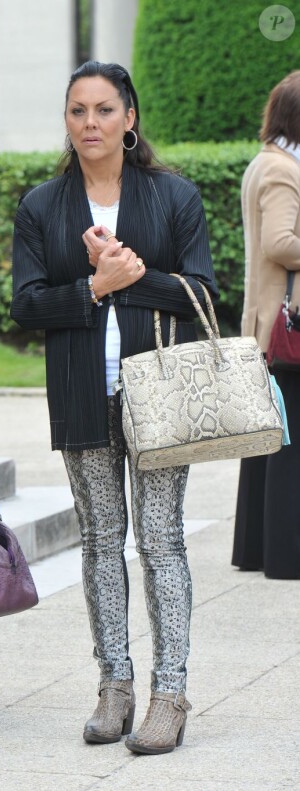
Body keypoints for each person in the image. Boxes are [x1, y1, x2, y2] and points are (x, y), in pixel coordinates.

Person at [11, 61, 218, 755]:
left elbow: (202, 294)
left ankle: (170, 692)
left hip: (158, 393)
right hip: (79, 390)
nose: (90, 124)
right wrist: (94, 286)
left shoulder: (174, 196)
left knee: (160, 539)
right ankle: (115, 687)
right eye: (77, 111)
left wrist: (135, 277)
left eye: (104, 110)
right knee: (101, 540)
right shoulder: (43, 205)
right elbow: (26, 303)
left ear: (130, 117)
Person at [232, 71, 300, 580]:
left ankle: (255, 548)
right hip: (288, 326)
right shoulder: (284, 170)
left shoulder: (265, 162)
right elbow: (280, 242)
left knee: (268, 441)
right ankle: (285, 555)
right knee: (288, 441)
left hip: (265, 323)